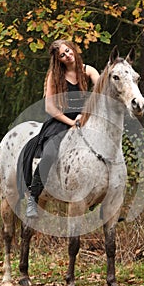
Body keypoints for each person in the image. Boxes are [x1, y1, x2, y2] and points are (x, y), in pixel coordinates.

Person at [26, 39, 100, 218]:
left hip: (86, 118)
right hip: (61, 121)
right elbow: (50, 108)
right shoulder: (54, 75)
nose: (67, 55)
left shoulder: (88, 70)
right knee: (50, 153)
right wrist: (71, 122)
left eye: (68, 51)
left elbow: (100, 92)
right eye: (62, 55)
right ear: (58, 59)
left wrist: (85, 114)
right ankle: (33, 197)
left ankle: (102, 199)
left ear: (73, 49)